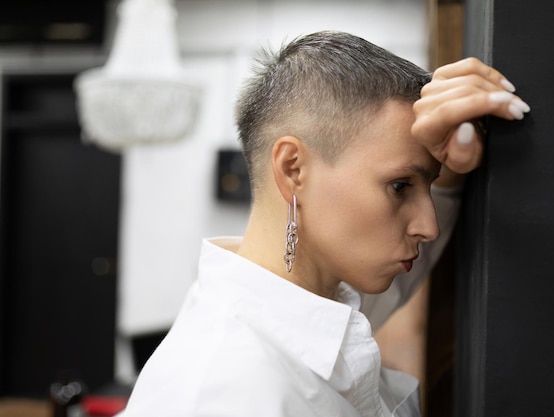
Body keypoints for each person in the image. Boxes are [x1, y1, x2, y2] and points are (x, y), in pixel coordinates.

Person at [116, 30, 530, 417]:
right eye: (400, 186)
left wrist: (456, 165)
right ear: (293, 168)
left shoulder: (319, 297)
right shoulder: (223, 393)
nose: (428, 226)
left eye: (427, 184)